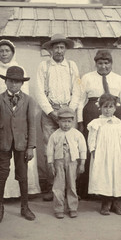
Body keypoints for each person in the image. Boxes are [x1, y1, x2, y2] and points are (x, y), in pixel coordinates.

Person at [0, 40, 40, 199]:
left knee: (19, 153)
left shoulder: (20, 68)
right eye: (1, 51)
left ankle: (19, 194)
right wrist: (1, 103)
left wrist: (14, 107)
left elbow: (24, 93)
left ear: (12, 52)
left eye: (7, 51)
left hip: (18, 114)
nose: (4, 54)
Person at [76, 50, 121, 198]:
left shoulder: (120, 80)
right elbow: (80, 101)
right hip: (92, 118)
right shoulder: (86, 78)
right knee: (93, 150)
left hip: (114, 119)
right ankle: (90, 190)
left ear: (111, 63)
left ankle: (114, 190)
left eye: (106, 63)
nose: (103, 66)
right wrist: (80, 122)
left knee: (113, 152)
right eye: (100, 63)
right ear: (96, 64)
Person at [35, 34, 81, 201]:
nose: (59, 51)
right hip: (50, 112)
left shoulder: (72, 66)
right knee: (51, 149)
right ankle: (52, 186)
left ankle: (71, 188)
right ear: (51, 49)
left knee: (70, 149)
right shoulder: (44, 66)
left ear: (65, 49)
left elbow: (77, 88)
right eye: (56, 48)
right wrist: (50, 112)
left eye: (62, 47)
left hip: (67, 111)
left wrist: (70, 111)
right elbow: (39, 91)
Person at [0, 66, 37, 224]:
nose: (14, 85)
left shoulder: (28, 100)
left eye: (17, 82)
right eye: (11, 81)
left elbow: (32, 125)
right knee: (1, 174)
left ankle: (25, 207)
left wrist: (30, 146)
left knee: (22, 175)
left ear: (22, 83)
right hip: (3, 143)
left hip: (21, 143)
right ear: (6, 82)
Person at [87, 94, 121, 216]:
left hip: (117, 155)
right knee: (104, 177)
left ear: (115, 108)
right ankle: (105, 203)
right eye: (105, 107)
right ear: (100, 108)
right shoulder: (96, 123)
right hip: (102, 155)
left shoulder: (118, 123)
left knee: (117, 177)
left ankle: (116, 203)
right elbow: (91, 140)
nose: (108, 110)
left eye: (110, 107)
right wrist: (94, 152)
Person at [46, 107, 87, 219]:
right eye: (63, 121)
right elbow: (50, 150)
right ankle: (59, 208)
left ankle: (72, 207)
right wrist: (50, 164)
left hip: (72, 162)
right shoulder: (55, 135)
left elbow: (83, 149)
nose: (66, 124)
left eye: (69, 121)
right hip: (58, 162)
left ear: (73, 121)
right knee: (58, 186)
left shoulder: (77, 134)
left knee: (72, 185)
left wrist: (82, 163)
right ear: (58, 121)